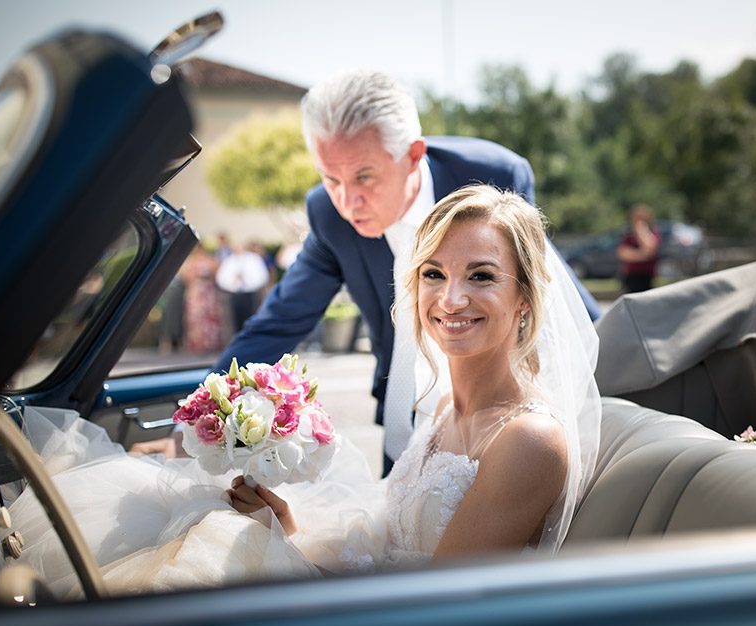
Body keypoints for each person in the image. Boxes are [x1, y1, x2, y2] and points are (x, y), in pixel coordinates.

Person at [5, 186, 601, 595]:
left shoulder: (528, 440)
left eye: (482, 276)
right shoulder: (446, 404)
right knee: (186, 522)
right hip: (377, 603)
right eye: (434, 274)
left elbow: (432, 606)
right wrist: (285, 526)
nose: (451, 299)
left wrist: (286, 561)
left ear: (525, 297)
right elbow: (391, 541)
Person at [130, 70, 600, 471]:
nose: (347, 201)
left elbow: (553, 304)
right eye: (330, 178)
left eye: (364, 177)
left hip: (500, 425)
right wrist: (194, 425)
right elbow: (276, 324)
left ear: (414, 155)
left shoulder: (493, 175)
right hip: (404, 422)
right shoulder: (330, 215)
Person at [215, 238, 270, 333]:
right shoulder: (230, 260)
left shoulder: (253, 259)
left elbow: (261, 276)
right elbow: (222, 278)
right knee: (236, 319)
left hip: (250, 294)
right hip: (234, 294)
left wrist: (248, 281)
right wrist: (233, 282)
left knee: (251, 316)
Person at [617, 204, 661, 293]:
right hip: (630, 277)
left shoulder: (653, 233)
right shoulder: (628, 235)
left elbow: (650, 248)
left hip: (647, 277)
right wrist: (642, 255)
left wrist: (642, 231)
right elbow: (622, 253)